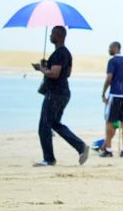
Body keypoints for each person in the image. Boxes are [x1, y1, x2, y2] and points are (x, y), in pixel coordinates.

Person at [34, 26, 90, 167]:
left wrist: (41, 69)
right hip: (63, 93)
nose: (50, 37)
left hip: (55, 94)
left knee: (44, 126)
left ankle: (49, 159)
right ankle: (81, 147)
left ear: (58, 36)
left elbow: (55, 74)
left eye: (52, 34)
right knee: (55, 124)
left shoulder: (59, 53)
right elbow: (67, 73)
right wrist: (47, 65)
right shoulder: (66, 54)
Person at [100, 41, 123, 157]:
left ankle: (108, 149)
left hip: (115, 94)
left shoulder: (112, 61)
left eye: (110, 47)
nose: (108, 49)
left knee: (109, 121)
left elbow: (109, 78)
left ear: (115, 48)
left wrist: (103, 93)